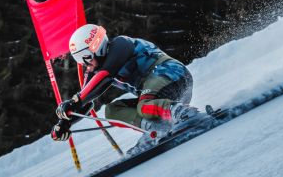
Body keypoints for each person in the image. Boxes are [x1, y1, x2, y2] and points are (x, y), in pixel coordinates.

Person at [51, 24, 205, 143]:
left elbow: (104, 77)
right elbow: (86, 100)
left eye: (84, 58)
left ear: (95, 48)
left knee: (144, 105)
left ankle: (183, 113)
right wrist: (64, 123)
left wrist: (75, 100)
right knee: (112, 111)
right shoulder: (95, 71)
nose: (85, 64)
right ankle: (157, 130)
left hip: (173, 75)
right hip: (159, 99)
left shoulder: (120, 45)